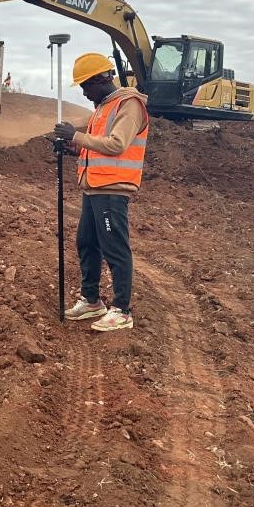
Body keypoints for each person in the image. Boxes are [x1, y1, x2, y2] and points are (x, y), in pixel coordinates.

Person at [53, 53, 149, 332]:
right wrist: (73, 149)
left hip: (112, 189)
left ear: (102, 79)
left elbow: (117, 144)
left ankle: (122, 310)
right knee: (86, 242)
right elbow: (96, 147)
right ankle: (92, 300)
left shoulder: (128, 104)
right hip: (94, 187)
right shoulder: (104, 106)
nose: (84, 92)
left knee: (114, 247)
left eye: (86, 86)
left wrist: (76, 136)